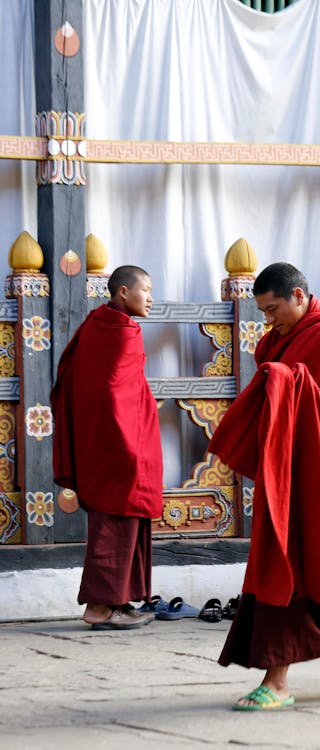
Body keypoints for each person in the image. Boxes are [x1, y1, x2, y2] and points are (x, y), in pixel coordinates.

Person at [209, 262, 320, 710]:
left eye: (273, 309)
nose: (268, 320)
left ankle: (278, 681)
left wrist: (294, 384)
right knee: (295, 566)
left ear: (298, 295)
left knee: (304, 564)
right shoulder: (274, 341)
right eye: (263, 312)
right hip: (285, 468)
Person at [52, 265, 161, 631]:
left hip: (103, 439)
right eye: (145, 289)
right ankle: (99, 608)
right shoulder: (122, 330)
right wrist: (130, 444)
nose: (150, 297)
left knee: (121, 523)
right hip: (120, 443)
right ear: (123, 293)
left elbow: (100, 387)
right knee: (115, 523)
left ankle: (118, 602)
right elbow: (114, 393)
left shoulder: (97, 325)